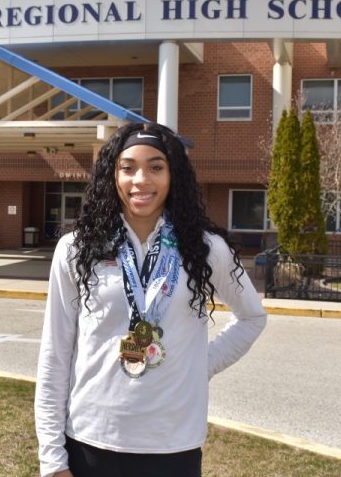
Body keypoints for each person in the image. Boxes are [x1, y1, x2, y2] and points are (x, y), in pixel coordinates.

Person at [34, 122, 267, 477]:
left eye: (156, 167)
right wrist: (52, 459)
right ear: (112, 176)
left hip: (173, 444)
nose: (141, 179)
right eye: (128, 168)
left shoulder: (205, 249)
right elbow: (55, 353)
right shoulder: (77, 249)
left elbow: (252, 317)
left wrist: (198, 366)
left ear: (173, 176)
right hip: (91, 439)